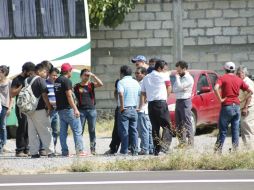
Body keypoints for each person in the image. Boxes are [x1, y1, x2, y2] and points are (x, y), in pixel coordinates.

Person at [214, 62, 253, 153]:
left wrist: (220, 99)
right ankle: (235, 151)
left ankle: (217, 152)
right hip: (236, 107)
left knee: (223, 130)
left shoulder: (222, 78)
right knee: (235, 131)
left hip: (226, 106)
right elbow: (250, 92)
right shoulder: (239, 80)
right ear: (234, 70)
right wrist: (241, 100)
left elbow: (216, 88)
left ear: (225, 69)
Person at [139, 59, 172, 156]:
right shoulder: (163, 75)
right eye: (164, 68)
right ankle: (164, 149)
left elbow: (143, 92)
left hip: (151, 104)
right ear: (159, 68)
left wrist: (145, 100)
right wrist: (166, 98)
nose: (165, 70)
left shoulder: (146, 77)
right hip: (161, 103)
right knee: (167, 126)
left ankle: (156, 150)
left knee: (155, 127)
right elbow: (169, 87)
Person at [54, 63, 87, 157]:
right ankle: (79, 151)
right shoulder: (67, 81)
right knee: (77, 130)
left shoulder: (57, 80)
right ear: (68, 71)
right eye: (71, 70)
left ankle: (65, 152)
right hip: (69, 109)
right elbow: (69, 96)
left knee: (63, 132)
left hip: (60, 110)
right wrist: (75, 109)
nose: (71, 72)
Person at [25, 63, 54, 158]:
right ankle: (50, 152)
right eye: (44, 71)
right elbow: (45, 95)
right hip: (40, 109)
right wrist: (49, 107)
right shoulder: (40, 80)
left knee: (32, 132)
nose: (46, 73)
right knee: (45, 130)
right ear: (38, 71)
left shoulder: (26, 80)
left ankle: (33, 153)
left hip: (29, 110)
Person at [74, 69, 103, 155]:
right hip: (81, 111)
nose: (86, 77)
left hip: (92, 110)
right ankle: (79, 149)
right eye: (85, 75)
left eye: (88, 75)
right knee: (80, 130)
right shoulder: (76, 86)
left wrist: (93, 76)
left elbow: (101, 84)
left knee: (92, 130)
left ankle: (93, 149)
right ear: (81, 76)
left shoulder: (91, 85)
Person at [11, 62, 35, 157]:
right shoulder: (17, 79)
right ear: (24, 71)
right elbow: (12, 93)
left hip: (29, 107)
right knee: (22, 127)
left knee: (29, 127)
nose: (31, 74)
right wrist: (21, 86)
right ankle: (19, 150)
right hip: (21, 107)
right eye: (30, 72)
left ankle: (26, 149)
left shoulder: (30, 79)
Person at [117, 65, 140, 155]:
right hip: (134, 109)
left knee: (124, 130)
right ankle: (135, 151)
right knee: (134, 130)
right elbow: (141, 94)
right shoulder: (136, 82)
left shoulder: (121, 82)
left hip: (125, 109)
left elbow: (121, 94)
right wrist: (139, 106)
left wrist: (122, 106)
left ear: (122, 73)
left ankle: (124, 150)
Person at [173, 61, 194, 148]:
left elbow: (180, 87)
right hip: (178, 101)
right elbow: (175, 89)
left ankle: (190, 143)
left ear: (184, 68)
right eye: (177, 70)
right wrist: (179, 87)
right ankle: (182, 143)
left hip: (185, 101)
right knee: (178, 123)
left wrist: (178, 81)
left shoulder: (189, 78)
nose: (177, 72)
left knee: (187, 122)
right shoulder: (179, 78)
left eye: (179, 70)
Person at [135, 67, 153, 155]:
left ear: (144, 74)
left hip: (143, 110)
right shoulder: (141, 82)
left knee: (144, 130)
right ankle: (150, 148)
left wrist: (140, 107)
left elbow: (145, 95)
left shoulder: (143, 83)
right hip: (145, 110)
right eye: (136, 73)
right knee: (148, 130)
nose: (136, 75)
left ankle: (145, 149)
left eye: (138, 73)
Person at [236, 66, 254, 150]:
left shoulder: (247, 82)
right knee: (246, 129)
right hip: (245, 107)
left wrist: (245, 108)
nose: (237, 75)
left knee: (247, 130)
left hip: (248, 108)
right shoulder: (244, 81)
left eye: (239, 73)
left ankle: (249, 151)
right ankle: (248, 149)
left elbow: (249, 95)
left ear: (243, 73)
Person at [104, 79, 121, 155]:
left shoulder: (120, 81)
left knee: (118, 130)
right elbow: (116, 93)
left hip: (122, 108)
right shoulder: (132, 81)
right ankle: (113, 149)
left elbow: (116, 93)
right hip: (127, 108)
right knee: (117, 130)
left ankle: (114, 149)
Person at [46, 67, 60, 153]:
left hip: (57, 110)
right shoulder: (44, 83)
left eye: (56, 75)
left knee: (56, 131)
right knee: (47, 130)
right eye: (53, 75)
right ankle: (45, 148)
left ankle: (53, 148)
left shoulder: (58, 84)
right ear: (49, 75)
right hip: (48, 110)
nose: (55, 77)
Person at [0, 65, 13, 154]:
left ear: (4, 72)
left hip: (4, 106)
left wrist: (10, 107)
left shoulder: (9, 82)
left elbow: (12, 97)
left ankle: (3, 144)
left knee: (3, 126)